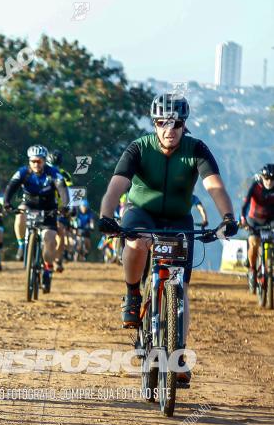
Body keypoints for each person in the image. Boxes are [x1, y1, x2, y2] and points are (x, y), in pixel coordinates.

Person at [98, 93, 237, 386]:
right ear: (155, 123)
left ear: (183, 125)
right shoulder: (139, 148)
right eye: (162, 122)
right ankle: (133, 293)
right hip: (141, 213)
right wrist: (106, 215)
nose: (169, 130)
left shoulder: (196, 149)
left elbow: (214, 185)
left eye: (175, 124)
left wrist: (227, 217)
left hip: (178, 219)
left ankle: (179, 353)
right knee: (137, 243)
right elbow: (117, 185)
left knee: (181, 288)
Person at [4, 145, 69, 288]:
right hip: (29, 204)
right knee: (20, 214)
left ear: (44, 161)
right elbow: (11, 187)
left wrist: (64, 206)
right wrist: (7, 203)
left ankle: (48, 268)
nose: (36, 164)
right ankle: (21, 244)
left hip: (48, 208)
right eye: (33, 161)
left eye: (39, 161)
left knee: (49, 238)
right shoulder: (23, 172)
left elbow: (63, 189)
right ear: (29, 161)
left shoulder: (53, 173)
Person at [240, 163, 274, 293]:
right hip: (254, 220)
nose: (269, 182)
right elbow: (244, 205)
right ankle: (253, 269)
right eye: (267, 178)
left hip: (270, 220)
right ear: (262, 177)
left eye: (272, 179)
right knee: (254, 243)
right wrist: (243, 219)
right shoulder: (255, 187)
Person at [49, 149, 72, 271]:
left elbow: (69, 193)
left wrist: (70, 207)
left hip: (59, 207)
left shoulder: (65, 175)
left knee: (60, 231)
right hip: (44, 206)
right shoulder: (43, 172)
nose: (54, 168)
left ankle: (58, 259)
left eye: (56, 165)